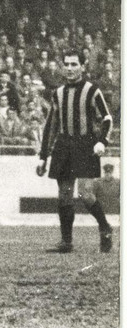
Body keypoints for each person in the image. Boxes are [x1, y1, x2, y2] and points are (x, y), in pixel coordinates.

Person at [36, 49, 114, 253]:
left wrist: (102, 141)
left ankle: (105, 227)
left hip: (86, 145)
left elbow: (107, 118)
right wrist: (43, 157)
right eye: (67, 64)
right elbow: (50, 126)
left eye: (74, 64)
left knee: (85, 194)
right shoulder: (58, 93)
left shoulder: (92, 90)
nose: (70, 68)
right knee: (64, 195)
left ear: (82, 66)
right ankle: (66, 242)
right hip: (63, 146)